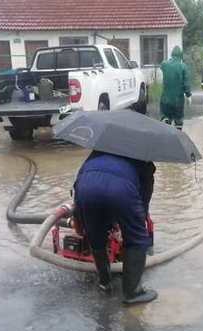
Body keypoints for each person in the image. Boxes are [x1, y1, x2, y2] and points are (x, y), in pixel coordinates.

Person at [74, 150, 158, 305]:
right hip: (121, 190)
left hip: (86, 187)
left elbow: (78, 180)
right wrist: (138, 220)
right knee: (137, 239)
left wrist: (80, 216)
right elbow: (144, 197)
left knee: (96, 236)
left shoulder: (98, 150)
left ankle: (104, 282)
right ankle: (132, 293)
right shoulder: (142, 156)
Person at [160, 46, 192, 130]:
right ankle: (179, 135)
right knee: (178, 120)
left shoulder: (164, 64)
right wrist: (188, 95)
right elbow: (186, 83)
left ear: (172, 54)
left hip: (165, 99)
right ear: (180, 56)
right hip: (178, 100)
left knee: (165, 117)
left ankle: (166, 124)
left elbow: (162, 67)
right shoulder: (183, 66)